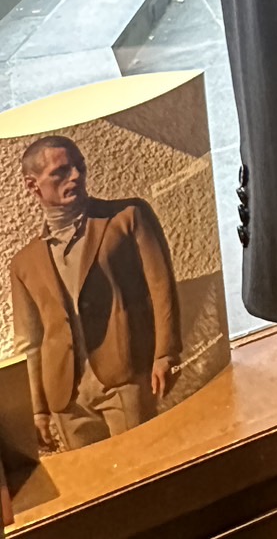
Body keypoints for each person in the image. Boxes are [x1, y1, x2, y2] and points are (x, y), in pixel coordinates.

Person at [9, 135, 181, 452]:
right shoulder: (24, 263)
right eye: (61, 172)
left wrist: (165, 354)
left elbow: (161, 287)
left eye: (80, 167)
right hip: (66, 398)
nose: (76, 176)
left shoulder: (127, 218)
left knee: (142, 463)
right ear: (33, 186)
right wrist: (38, 410)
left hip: (124, 377)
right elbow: (30, 342)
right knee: (93, 476)